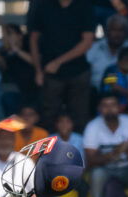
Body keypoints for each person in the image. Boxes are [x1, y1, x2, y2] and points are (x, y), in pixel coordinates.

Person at [28, 0, 94, 131]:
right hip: (50, 74)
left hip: (78, 72)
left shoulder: (85, 6)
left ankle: (79, 150)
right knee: (48, 118)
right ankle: (48, 151)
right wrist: (38, 71)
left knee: (80, 118)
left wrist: (58, 62)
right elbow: (33, 39)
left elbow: (87, 41)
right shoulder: (43, 6)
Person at [86, 14, 128, 98]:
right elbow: (111, 85)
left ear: (127, 32)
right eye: (114, 30)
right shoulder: (111, 69)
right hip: (96, 96)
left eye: (121, 30)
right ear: (106, 31)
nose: (117, 34)